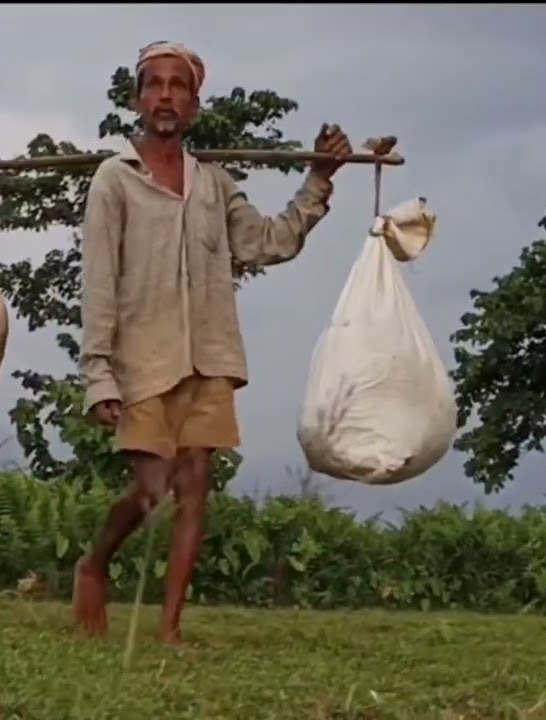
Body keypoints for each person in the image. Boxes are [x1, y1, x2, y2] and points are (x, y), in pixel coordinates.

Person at [74, 40, 353, 644]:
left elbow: (267, 243)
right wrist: (99, 371)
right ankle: (95, 564)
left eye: (179, 86)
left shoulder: (215, 184)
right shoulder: (114, 179)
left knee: (195, 484)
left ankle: (169, 628)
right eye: (154, 85)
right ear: (136, 99)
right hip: (143, 360)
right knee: (151, 490)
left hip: (211, 354)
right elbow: (97, 281)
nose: (166, 95)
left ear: (195, 105)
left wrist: (319, 181)